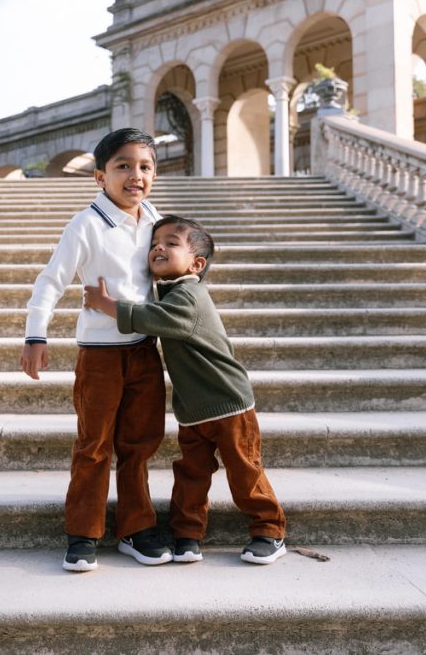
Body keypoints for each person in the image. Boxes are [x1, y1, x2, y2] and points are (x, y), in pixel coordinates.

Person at [83, 215, 287, 564]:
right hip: (193, 410)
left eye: (171, 243)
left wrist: (108, 305)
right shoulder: (170, 292)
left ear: (197, 263)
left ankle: (269, 530)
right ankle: (188, 534)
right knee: (191, 474)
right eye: (154, 243)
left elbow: (156, 319)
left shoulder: (190, 295)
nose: (158, 247)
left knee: (244, 470)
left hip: (228, 403)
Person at [20, 128, 173, 572]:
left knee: (140, 444)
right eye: (123, 166)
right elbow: (52, 279)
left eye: (145, 167)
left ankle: (136, 528)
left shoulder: (154, 219)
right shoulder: (85, 224)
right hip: (101, 355)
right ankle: (83, 533)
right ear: (99, 176)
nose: (135, 176)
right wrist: (36, 334)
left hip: (145, 348)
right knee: (94, 445)